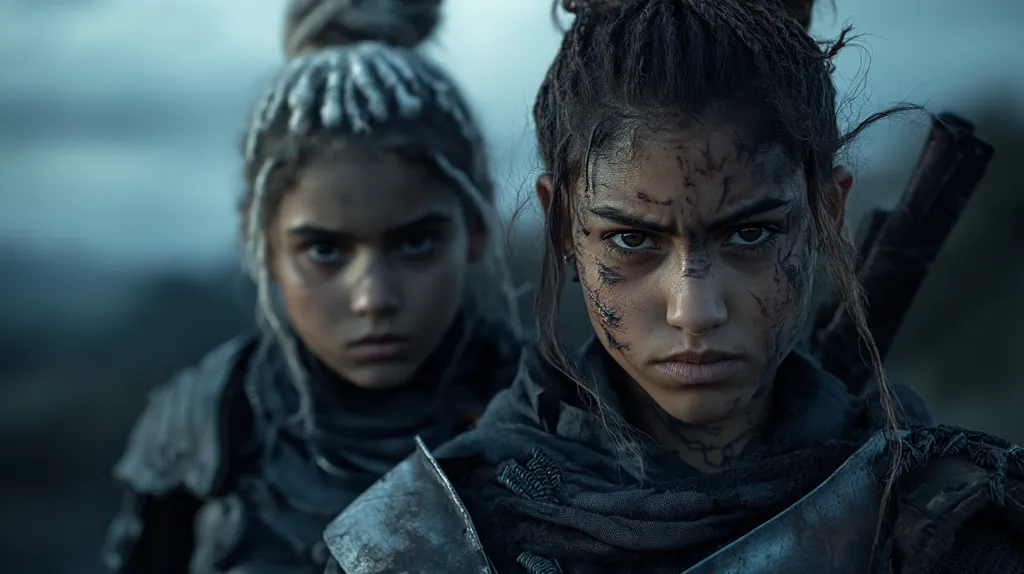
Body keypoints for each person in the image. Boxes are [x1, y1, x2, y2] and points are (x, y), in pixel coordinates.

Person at [321, 0, 1024, 572]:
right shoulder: (426, 542)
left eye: (750, 234)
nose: (695, 310)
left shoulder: (943, 525)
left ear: (826, 215)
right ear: (564, 227)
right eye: (633, 240)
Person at [102, 0, 523, 572]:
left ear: (475, 227)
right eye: (324, 250)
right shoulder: (208, 422)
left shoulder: (548, 412)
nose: (374, 299)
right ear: (263, 244)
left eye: (416, 242)